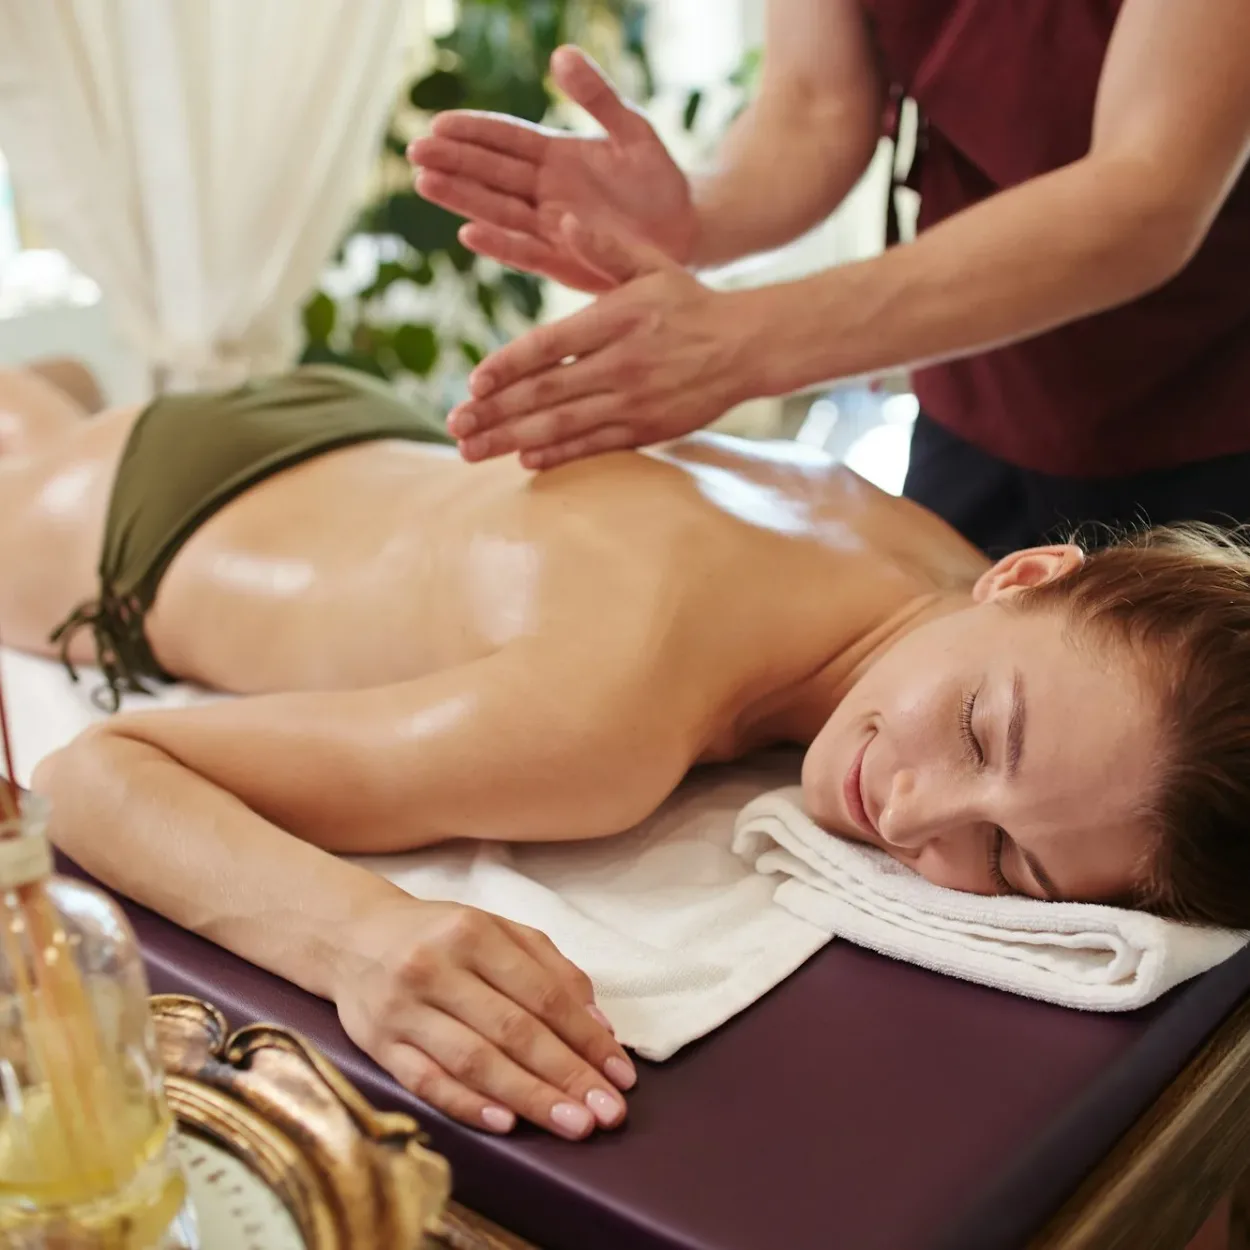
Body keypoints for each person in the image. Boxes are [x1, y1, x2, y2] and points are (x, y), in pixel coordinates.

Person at [5, 361, 1250, 1143]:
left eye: (1008, 859)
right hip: (140, 521)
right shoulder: (603, 723)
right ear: (1027, 572)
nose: (917, 811)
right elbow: (96, 775)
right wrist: (360, 936)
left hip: (352, 423)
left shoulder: (919, 549)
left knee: (42, 388)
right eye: (982, 729)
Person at [408, 0, 1250, 554]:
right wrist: (698, 212)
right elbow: (814, 104)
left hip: (1215, 405)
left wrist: (739, 343)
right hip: (982, 393)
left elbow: (1147, 190)